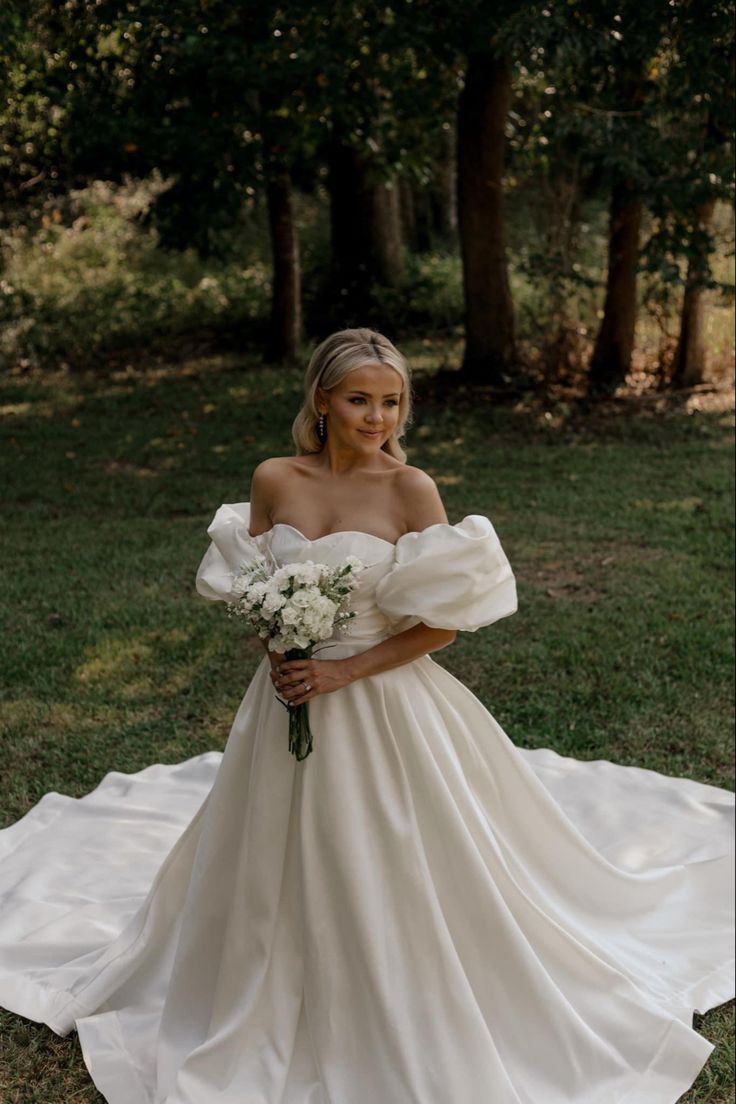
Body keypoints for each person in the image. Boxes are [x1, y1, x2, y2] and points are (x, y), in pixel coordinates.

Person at [0, 327, 733, 1104]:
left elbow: (441, 625)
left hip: (382, 701)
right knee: (268, 855)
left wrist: (343, 668)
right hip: (285, 697)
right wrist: (275, 640)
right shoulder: (274, 478)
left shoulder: (409, 489)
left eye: (391, 402)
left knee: (385, 849)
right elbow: (254, 585)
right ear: (321, 400)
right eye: (359, 400)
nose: (376, 418)